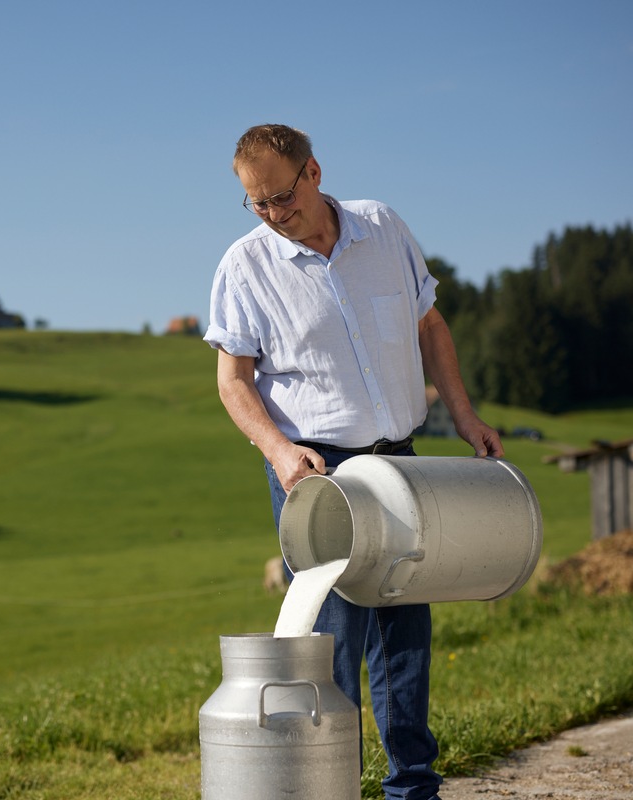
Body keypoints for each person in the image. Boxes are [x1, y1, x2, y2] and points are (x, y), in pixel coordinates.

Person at [204, 123, 504, 800]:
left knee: (405, 630)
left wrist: (464, 416)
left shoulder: (382, 227)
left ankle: (411, 786)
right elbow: (232, 381)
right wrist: (280, 454)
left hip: (399, 462)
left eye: (282, 196)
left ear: (313, 172)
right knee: (329, 644)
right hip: (317, 471)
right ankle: (323, 787)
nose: (275, 215)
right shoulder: (245, 266)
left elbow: (430, 327)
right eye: (258, 204)